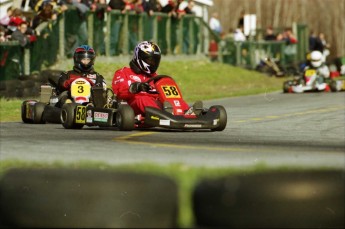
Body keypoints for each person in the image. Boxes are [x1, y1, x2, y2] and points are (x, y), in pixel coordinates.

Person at [112, 41, 198, 116]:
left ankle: (186, 112)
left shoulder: (155, 77)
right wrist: (137, 87)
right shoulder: (123, 72)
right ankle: (165, 114)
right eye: (150, 60)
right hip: (131, 104)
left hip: (154, 103)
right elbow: (119, 92)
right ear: (140, 57)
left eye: (155, 61)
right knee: (142, 99)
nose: (153, 63)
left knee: (172, 99)